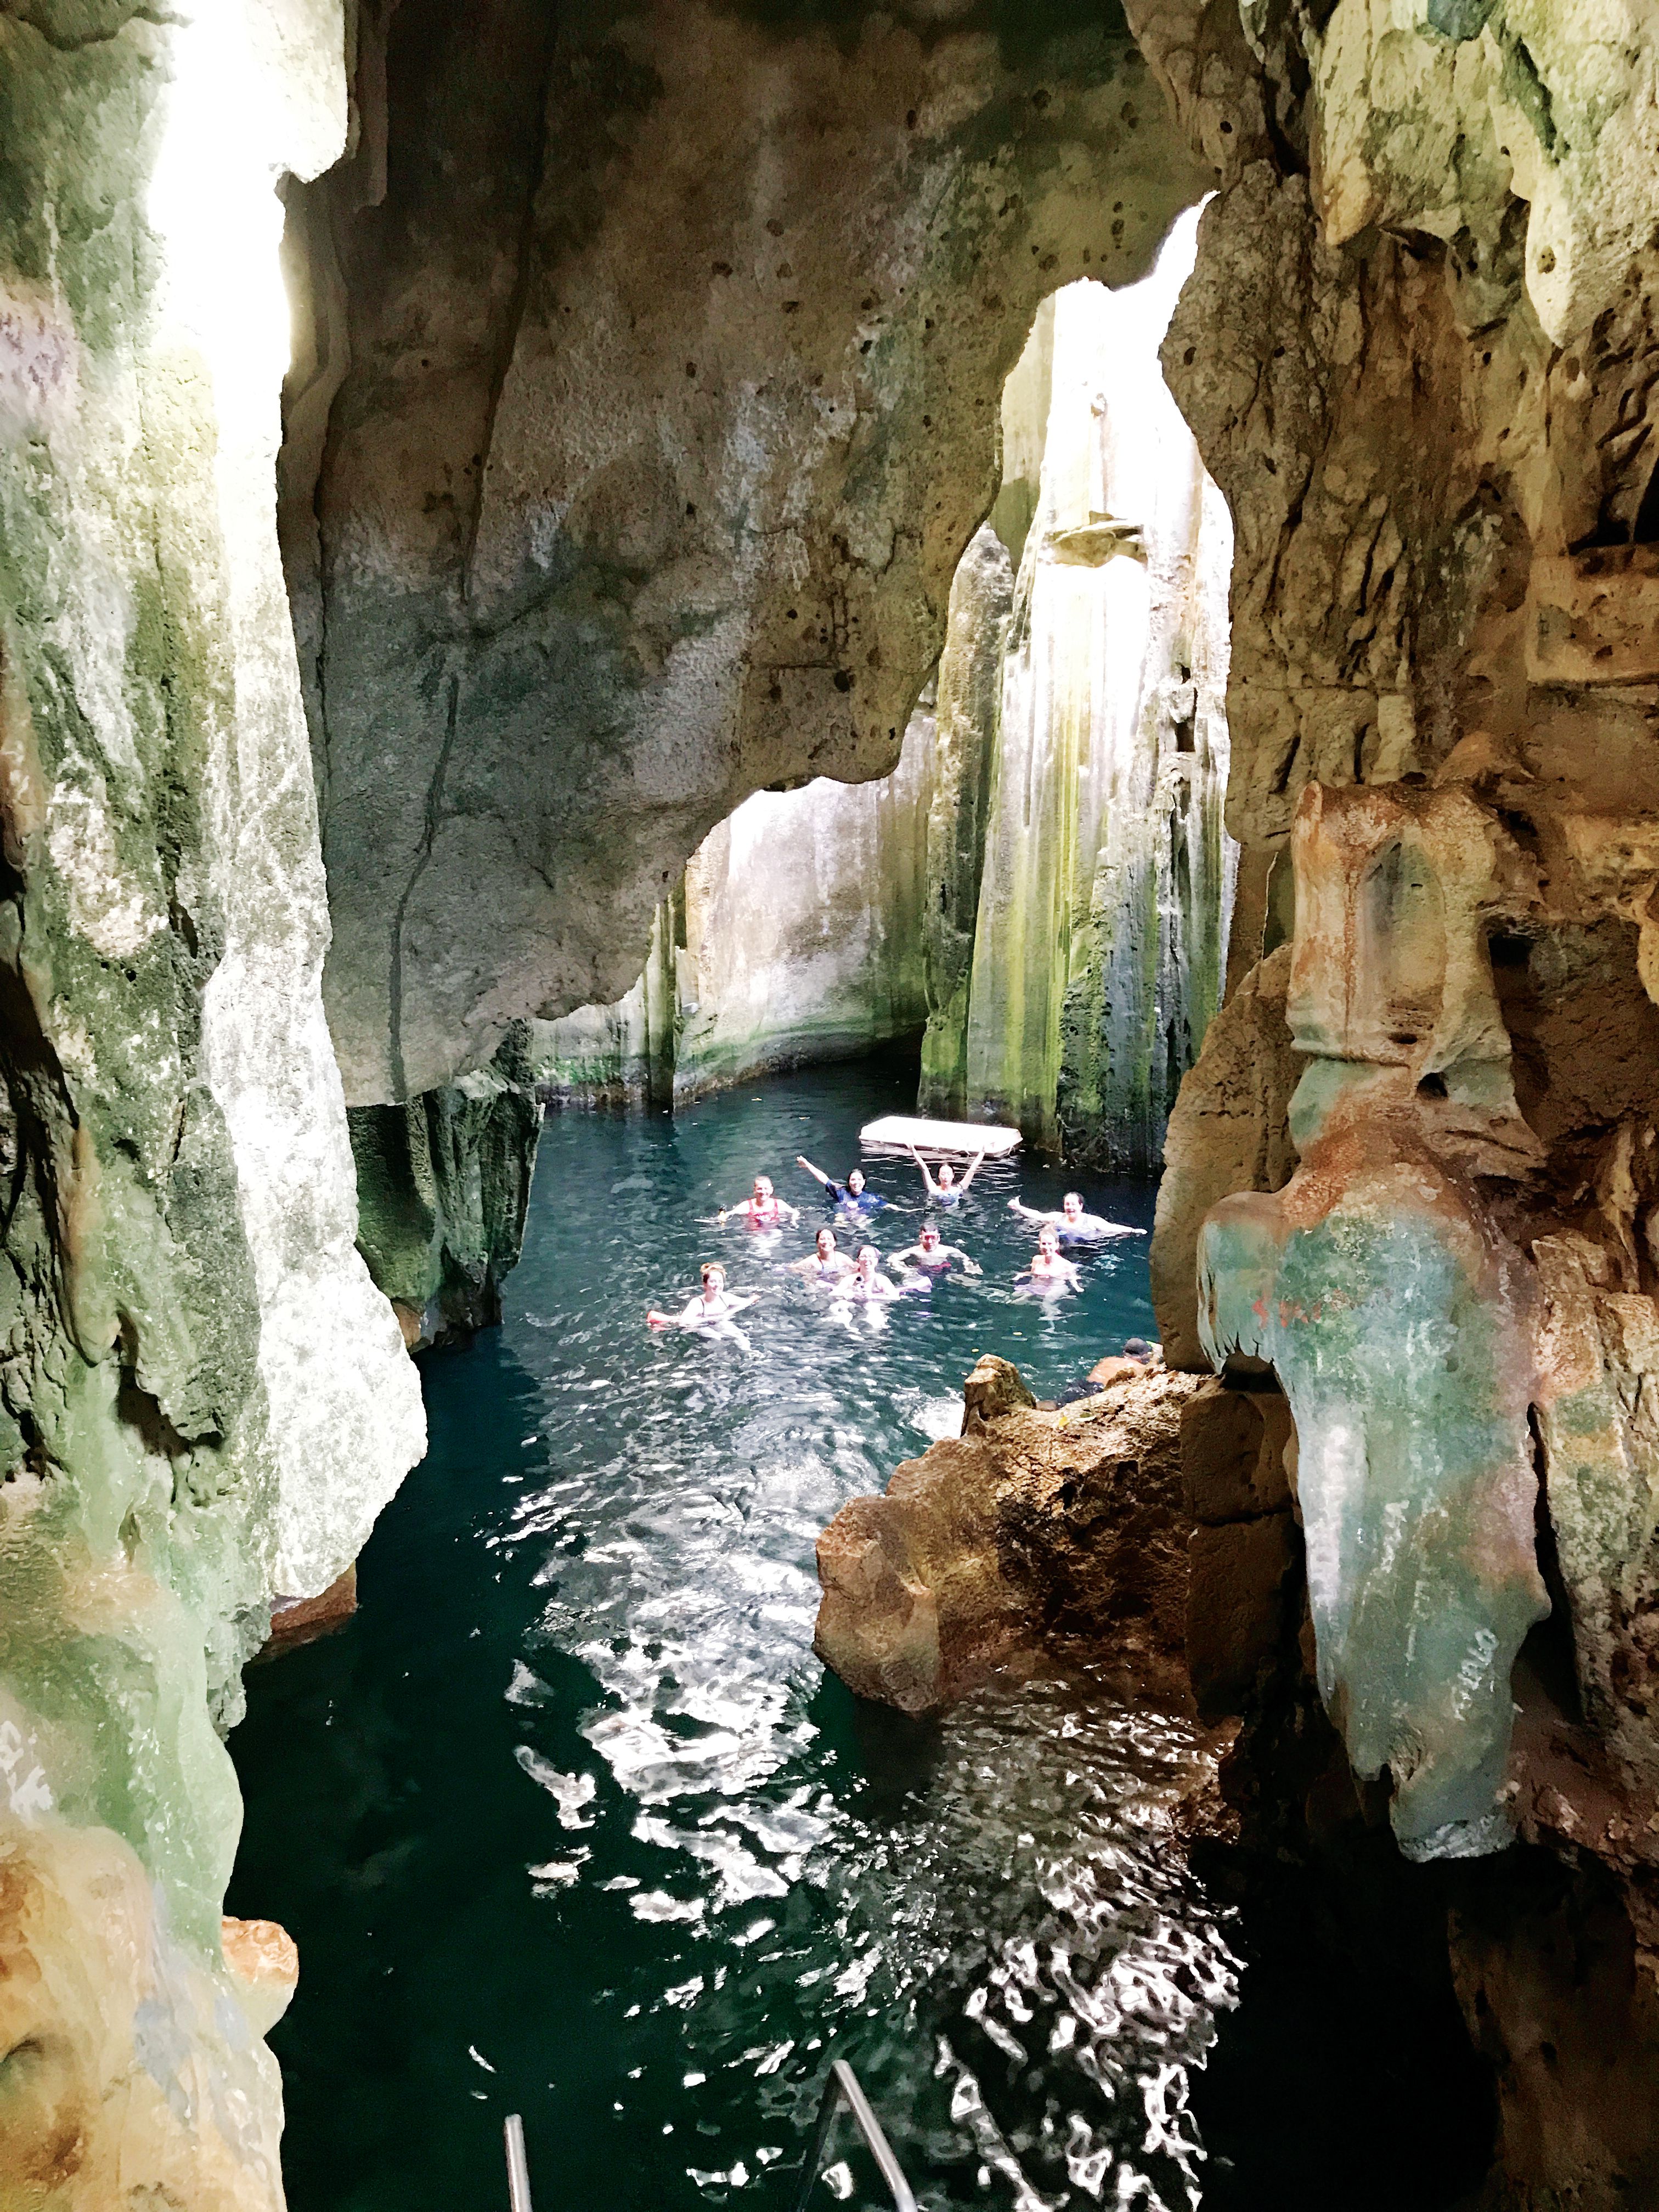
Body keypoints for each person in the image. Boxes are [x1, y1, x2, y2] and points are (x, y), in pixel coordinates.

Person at [646, 1262, 763, 1347]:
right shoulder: (697, 1303)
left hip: (719, 1321)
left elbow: (747, 1302)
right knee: (718, 1338)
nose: (717, 1285)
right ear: (705, 1285)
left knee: (740, 1336)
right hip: (700, 1325)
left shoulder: (726, 1298)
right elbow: (684, 1322)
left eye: (720, 1282)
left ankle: (751, 1357)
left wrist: (757, 1296)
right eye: (713, 1282)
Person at [1007, 1190, 1144, 1244]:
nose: (1070, 1207)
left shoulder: (1092, 1221)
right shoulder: (1058, 1217)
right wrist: (1018, 1207)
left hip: (1085, 1248)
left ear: (1080, 1206)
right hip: (1064, 1246)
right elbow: (1038, 1215)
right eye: (1067, 1204)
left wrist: (1133, 1231)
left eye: (1073, 1204)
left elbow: (1112, 1228)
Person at [796, 1155, 888, 1220]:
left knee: (862, 1222)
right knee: (840, 1220)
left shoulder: (870, 1198)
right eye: (853, 1180)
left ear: (864, 1182)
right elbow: (824, 1179)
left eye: (859, 1180)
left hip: (860, 1219)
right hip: (842, 1217)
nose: (856, 1183)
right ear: (849, 1182)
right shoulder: (841, 1192)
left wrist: (901, 1210)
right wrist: (807, 1164)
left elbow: (887, 1205)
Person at [887, 1221, 981, 1281]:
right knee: (908, 1281)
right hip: (921, 1271)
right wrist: (905, 1270)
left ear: (939, 1238)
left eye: (934, 1238)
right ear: (921, 1239)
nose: (930, 1242)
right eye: (926, 1238)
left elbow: (965, 1257)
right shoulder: (915, 1251)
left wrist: (969, 1267)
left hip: (943, 1270)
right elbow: (893, 1259)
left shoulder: (946, 1250)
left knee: (968, 1282)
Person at [907, 1142, 986, 1207]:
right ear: (939, 1176)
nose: (946, 1177)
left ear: (953, 1176)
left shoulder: (960, 1188)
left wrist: (983, 1151)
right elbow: (924, 1169)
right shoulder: (934, 1189)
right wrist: (913, 1150)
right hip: (937, 1211)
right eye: (943, 1174)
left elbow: (972, 1169)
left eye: (948, 1174)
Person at [1017, 1224, 1082, 1297]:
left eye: (1050, 1244)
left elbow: (1072, 1277)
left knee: (1046, 1305)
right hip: (1037, 1287)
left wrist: (1077, 1287)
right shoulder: (1036, 1259)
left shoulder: (1066, 1265)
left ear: (1057, 1245)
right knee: (1014, 1297)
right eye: (1044, 1244)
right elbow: (1033, 1273)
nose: (1047, 1247)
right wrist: (1023, 1274)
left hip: (1055, 1288)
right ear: (1040, 1245)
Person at [716, 1174, 799, 1229]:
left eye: (766, 1189)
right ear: (754, 1191)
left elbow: (795, 1212)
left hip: (774, 1231)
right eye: (760, 1189)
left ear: (771, 1190)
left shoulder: (779, 1204)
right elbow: (729, 1214)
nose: (763, 1192)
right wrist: (722, 1218)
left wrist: (793, 1221)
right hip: (754, 1233)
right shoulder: (747, 1206)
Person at [791, 1226, 855, 1283]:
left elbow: (857, 1269)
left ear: (835, 1243)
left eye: (829, 1239)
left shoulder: (842, 1258)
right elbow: (792, 1269)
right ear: (817, 1243)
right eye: (822, 1239)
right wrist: (808, 1275)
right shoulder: (812, 1260)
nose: (826, 1242)